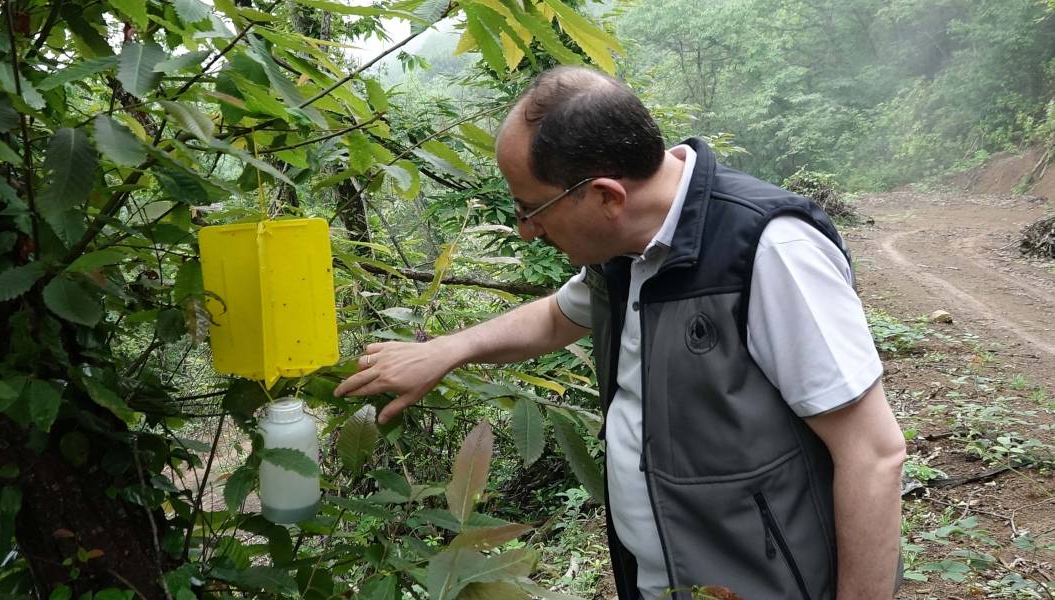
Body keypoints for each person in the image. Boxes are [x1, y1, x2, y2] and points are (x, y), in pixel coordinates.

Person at [334, 65, 906, 600]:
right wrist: (446, 350)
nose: (526, 230)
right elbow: (559, 316)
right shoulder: (627, 249)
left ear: (607, 195)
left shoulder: (768, 251)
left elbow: (872, 453)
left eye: (531, 208)